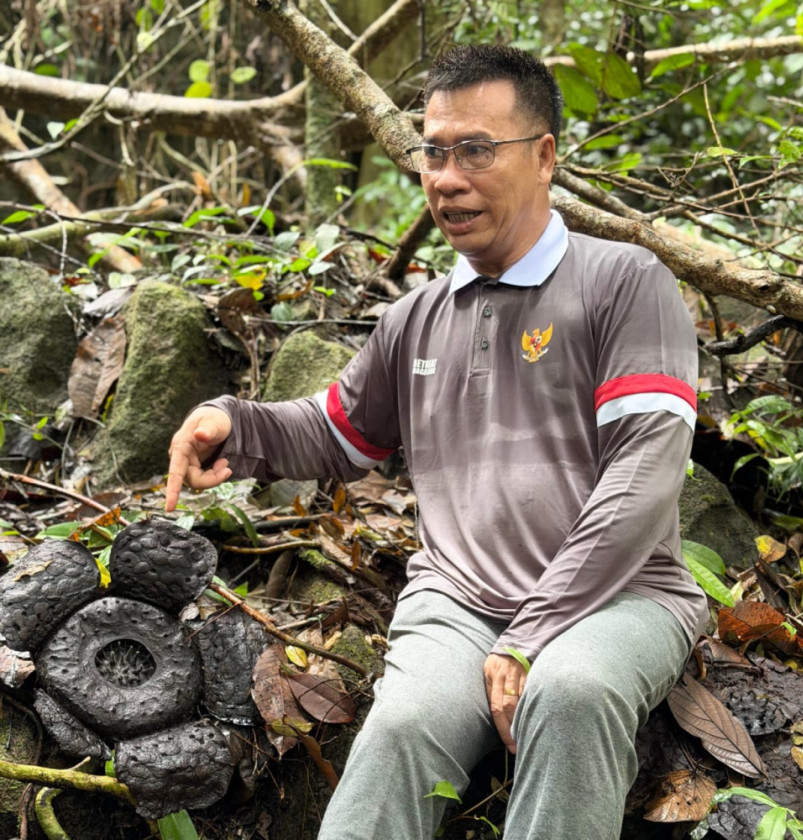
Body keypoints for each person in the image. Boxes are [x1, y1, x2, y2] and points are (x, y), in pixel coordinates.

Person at [166, 44, 708, 840]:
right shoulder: (412, 318)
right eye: (433, 151)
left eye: (477, 152)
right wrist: (235, 424)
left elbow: (645, 475)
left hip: (621, 596)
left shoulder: (625, 281)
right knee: (400, 731)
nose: (446, 177)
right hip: (457, 602)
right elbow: (341, 433)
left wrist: (532, 634)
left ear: (545, 156)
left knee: (574, 691)